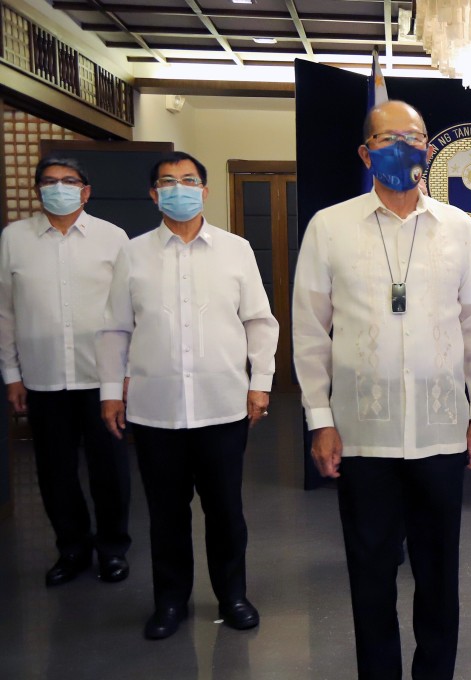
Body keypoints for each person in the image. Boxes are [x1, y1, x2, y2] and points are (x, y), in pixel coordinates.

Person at [291, 100, 471, 679]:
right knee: (370, 572)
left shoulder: (460, 228)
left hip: (440, 431)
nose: (402, 149)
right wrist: (319, 418)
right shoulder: (330, 227)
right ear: (365, 153)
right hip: (363, 432)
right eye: (387, 139)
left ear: (429, 151)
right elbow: (310, 331)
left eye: (413, 139)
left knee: (438, 572)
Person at [97, 151, 279, 640]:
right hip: (156, 411)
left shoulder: (236, 249)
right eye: (168, 182)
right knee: (166, 514)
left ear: (204, 190)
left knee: (225, 511)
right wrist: (111, 392)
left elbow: (259, 322)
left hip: (222, 405)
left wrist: (260, 382)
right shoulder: (133, 253)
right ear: (154, 194)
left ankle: (232, 595)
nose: (179, 189)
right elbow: (115, 328)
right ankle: (170, 602)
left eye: (189, 180)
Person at [0, 155, 131, 587]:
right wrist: (12, 374)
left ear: (85, 190)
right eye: (49, 181)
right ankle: (71, 548)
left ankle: (113, 549)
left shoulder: (113, 239)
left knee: (108, 470)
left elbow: (130, 311)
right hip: (43, 377)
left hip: (102, 379)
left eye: (68, 181)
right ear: (38, 189)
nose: (59, 187)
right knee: (54, 471)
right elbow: (5, 312)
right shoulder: (14, 239)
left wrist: (126, 374)